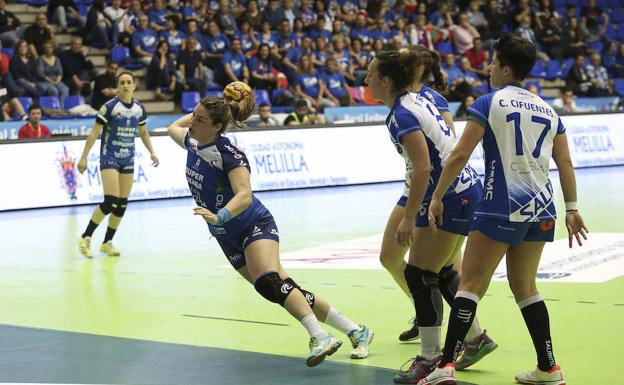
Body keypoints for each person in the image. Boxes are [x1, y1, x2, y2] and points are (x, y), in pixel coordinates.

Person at [420, 33, 587, 385]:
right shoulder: (548, 109)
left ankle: (444, 367)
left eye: (494, 62)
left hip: (499, 206)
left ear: (507, 68)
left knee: (470, 285)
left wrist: (437, 195)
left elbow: (461, 154)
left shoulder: (489, 102)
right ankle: (549, 368)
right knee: (526, 287)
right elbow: (566, 162)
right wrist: (572, 208)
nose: (489, 67)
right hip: (542, 209)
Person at [166, 93, 373, 367]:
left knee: (268, 281)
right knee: (280, 289)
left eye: (200, 119)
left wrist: (219, 216)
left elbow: (245, 195)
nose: (192, 122)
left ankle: (319, 336)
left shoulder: (229, 154)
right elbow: (173, 128)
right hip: (226, 237)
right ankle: (356, 330)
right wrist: (205, 113)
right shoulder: (192, 144)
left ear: (216, 126)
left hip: (253, 223)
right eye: (193, 115)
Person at [363, 49, 494, 384]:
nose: (366, 80)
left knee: (421, 274)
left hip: (443, 193)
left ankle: (431, 358)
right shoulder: (417, 101)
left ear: (387, 79)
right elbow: (441, 149)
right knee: (438, 269)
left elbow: (424, 165)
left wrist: (413, 214)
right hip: (456, 190)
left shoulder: (403, 113)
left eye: (371, 74)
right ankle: (470, 339)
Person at [77, 72, 160, 258]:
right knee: (110, 201)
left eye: (129, 82)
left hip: (128, 158)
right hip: (110, 157)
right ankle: (85, 237)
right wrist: (83, 157)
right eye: (122, 82)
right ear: (118, 86)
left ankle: (107, 242)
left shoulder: (139, 109)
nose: (126, 85)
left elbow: (144, 133)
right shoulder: (110, 107)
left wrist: (152, 152)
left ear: (134, 86)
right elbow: (93, 133)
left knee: (122, 204)